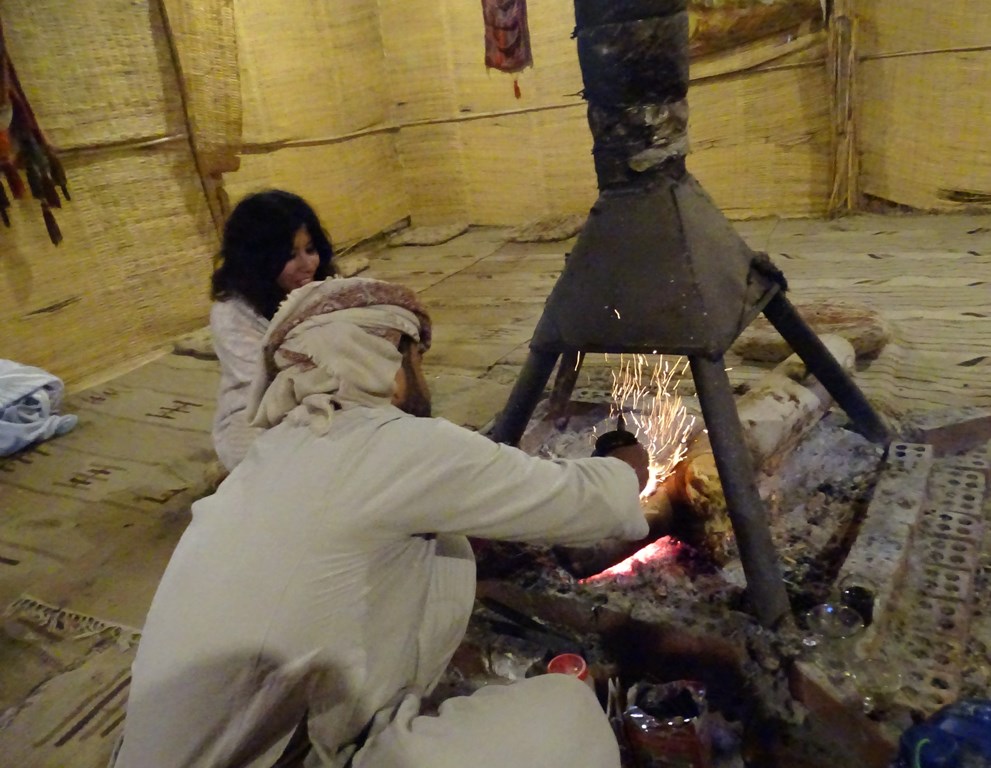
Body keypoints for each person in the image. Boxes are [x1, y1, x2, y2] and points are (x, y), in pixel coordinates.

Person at [112, 277, 651, 768]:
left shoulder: (270, 454)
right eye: (418, 358)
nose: (423, 376)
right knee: (561, 718)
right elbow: (590, 503)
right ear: (391, 360)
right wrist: (629, 464)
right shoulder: (391, 443)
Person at [209, 190, 337, 472]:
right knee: (271, 460)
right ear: (258, 259)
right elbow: (265, 384)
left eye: (311, 250)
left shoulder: (324, 289)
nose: (307, 265)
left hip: (328, 392)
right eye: (290, 255)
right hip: (258, 409)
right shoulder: (232, 313)